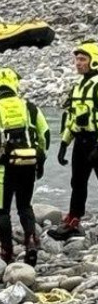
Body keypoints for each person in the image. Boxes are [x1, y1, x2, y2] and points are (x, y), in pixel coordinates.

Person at [0, 67, 50, 266]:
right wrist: (41, 160)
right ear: (15, 85)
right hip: (28, 163)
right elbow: (46, 134)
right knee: (25, 206)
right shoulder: (29, 107)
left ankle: (6, 251)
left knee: (2, 210)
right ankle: (31, 242)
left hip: (3, 169)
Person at [49, 42, 98, 240]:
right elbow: (72, 118)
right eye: (77, 59)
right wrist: (64, 143)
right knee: (77, 182)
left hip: (96, 140)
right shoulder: (77, 87)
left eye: (83, 59)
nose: (78, 63)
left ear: (94, 61)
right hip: (81, 140)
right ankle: (73, 221)